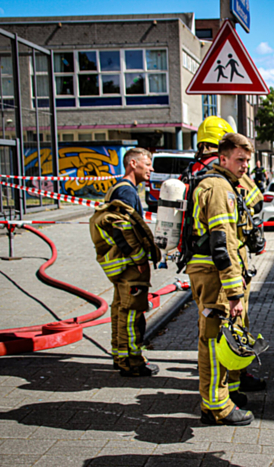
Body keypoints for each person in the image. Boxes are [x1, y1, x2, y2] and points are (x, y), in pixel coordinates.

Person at [183, 116, 266, 394]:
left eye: (247, 161)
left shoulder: (225, 183)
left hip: (218, 270)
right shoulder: (220, 188)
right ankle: (217, 404)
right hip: (215, 272)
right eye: (240, 160)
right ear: (223, 158)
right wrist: (233, 292)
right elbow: (222, 243)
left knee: (230, 333)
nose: (245, 166)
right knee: (215, 338)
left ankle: (231, 389)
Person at [89, 147, 160, 377]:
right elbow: (122, 228)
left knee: (121, 310)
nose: (151, 169)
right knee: (132, 314)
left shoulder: (118, 189)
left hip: (122, 265)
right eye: (147, 164)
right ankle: (132, 362)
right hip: (130, 267)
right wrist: (139, 259)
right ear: (132, 164)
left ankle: (120, 356)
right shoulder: (127, 192)